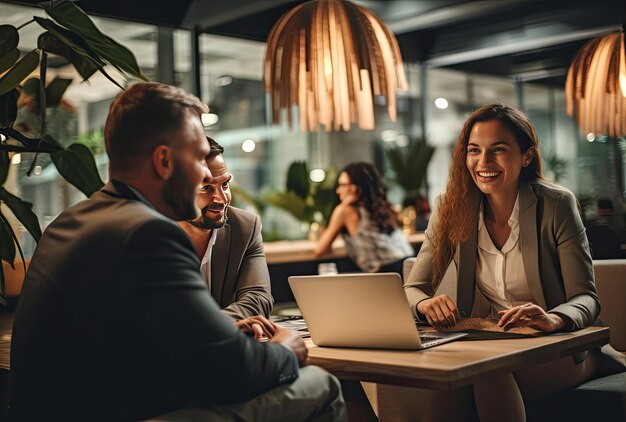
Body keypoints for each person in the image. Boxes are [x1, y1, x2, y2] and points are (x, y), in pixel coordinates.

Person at [10, 82, 347, 422]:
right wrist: (288, 348)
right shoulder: (150, 234)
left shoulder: (67, 223)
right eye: (200, 157)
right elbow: (233, 370)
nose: (206, 172)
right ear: (164, 160)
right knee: (319, 383)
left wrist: (218, 338)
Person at [404, 103, 625, 421]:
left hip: (557, 347)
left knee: (483, 373)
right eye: (474, 150)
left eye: (498, 150)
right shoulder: (451, 207)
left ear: (527, 156)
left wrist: (553, 319)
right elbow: (412, 289)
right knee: (454, 380)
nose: (483, 162)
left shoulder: (556, 204)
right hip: (492, 345)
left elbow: (587, 299)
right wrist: (425, 305)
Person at [178, 137, 272, 320]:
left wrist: (213, 329)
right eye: (206, 187)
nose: (221, 199)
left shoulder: (245, 228)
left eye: (225, 184)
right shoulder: (149, 233)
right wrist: (219, 328)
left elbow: (258, 299)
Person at [314, 162, 413, 274]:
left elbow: (320, 250)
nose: (338, 190)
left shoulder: (344, 210)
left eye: (343, 185)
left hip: (386, 274)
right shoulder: (384, 207)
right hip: (409, 267)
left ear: (356, 187)